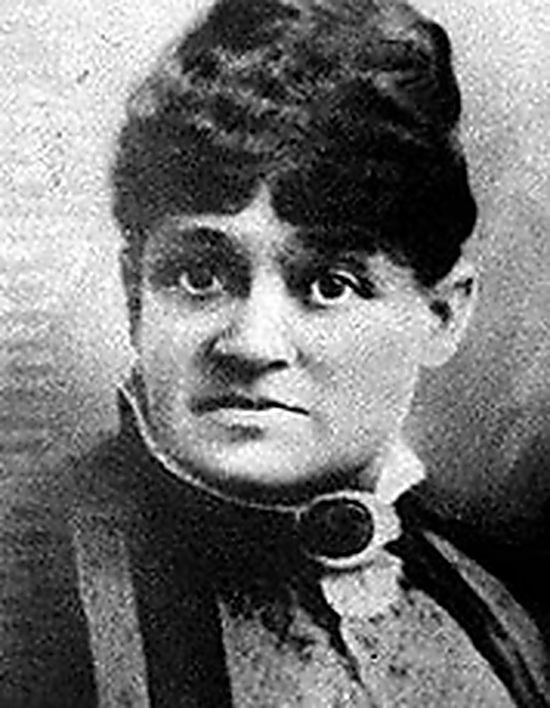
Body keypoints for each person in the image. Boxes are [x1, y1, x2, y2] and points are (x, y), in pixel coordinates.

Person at [1, 0, 549, 705]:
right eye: (199, 276)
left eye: (329, 284)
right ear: (135, 295)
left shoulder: (503, 615)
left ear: (443, 313)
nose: (251, 345)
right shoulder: (25, 584)